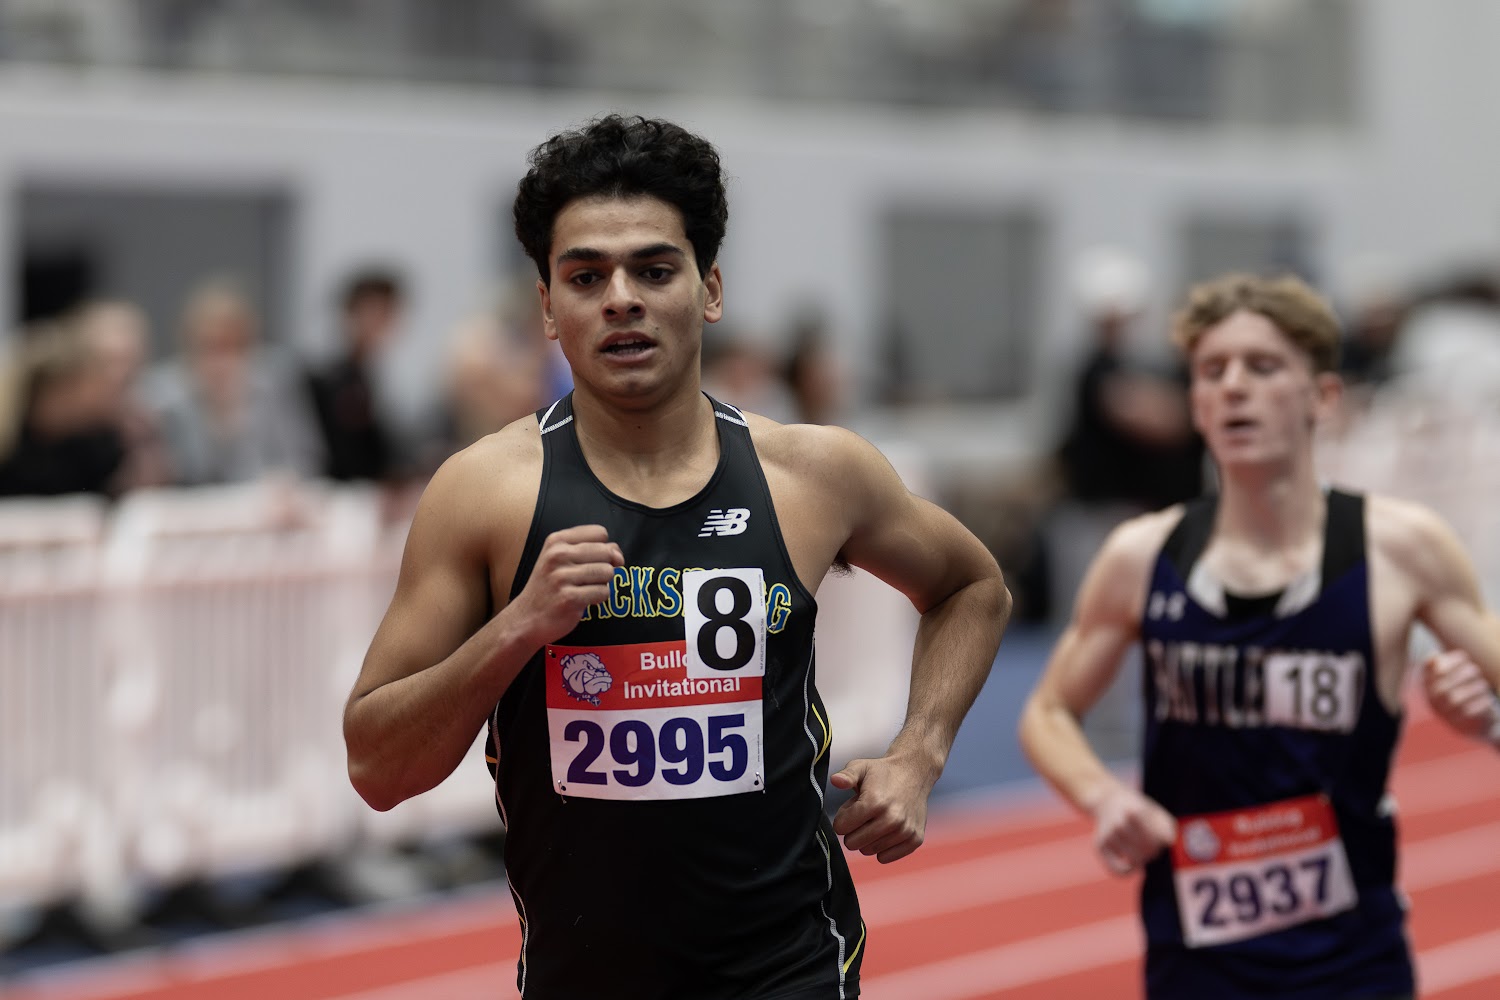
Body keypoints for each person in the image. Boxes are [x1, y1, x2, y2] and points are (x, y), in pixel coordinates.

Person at [342, 113, 1012, 1000]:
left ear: (710, 290)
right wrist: (516, 631)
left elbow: (972, 585)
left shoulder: (812, 474)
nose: (621, 299)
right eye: (586, 276)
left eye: (655, 270)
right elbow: (378, 769)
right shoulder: (485, 494)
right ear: (547, 307)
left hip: (789, 967)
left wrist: (920, 752)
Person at [1017, 272, 1500, 999]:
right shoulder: (1143, 555)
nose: (1235, 387)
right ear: (1196, 404)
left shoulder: (1401, 549)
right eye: (1213, 371)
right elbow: (1048, 710)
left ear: (1323, 398)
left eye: (1263, 366)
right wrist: (1103, 797)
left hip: (1354, 962)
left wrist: (1488, 724)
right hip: (1193, 959)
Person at [304, 267, 405, 483]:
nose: (382, 323)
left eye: (388, 313)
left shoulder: (372, 376)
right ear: (351, 314)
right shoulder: (328, 380)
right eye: (375, 312)